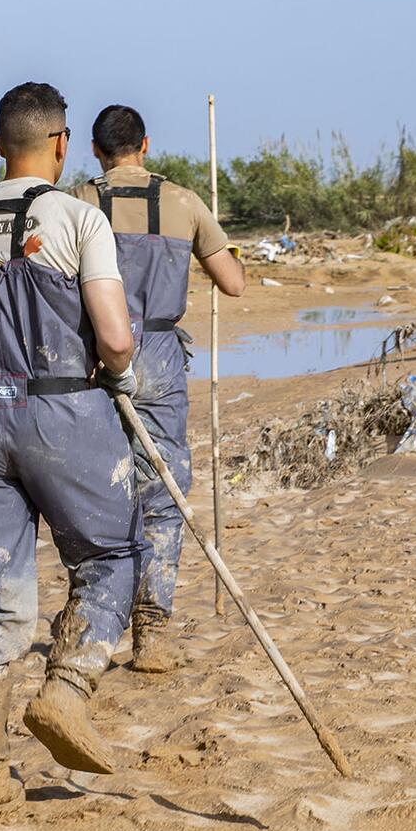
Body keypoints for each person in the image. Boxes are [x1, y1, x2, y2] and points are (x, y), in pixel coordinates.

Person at [0, 81, 140, 826]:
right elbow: (114, 338)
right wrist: (120, 372)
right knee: (113, 556)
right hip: (61, 412)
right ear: (61, 144)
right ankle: (67, 688)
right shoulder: (78, 218)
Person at [72, 105, 244, 675]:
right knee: (163, 492)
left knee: (95, 488)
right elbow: (233, 283)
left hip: (93, 355)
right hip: (162, 357)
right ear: (145, 144)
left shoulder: (77, 202)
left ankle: (93, 619)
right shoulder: (185, 202)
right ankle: (153, 630)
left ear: (95, 149)